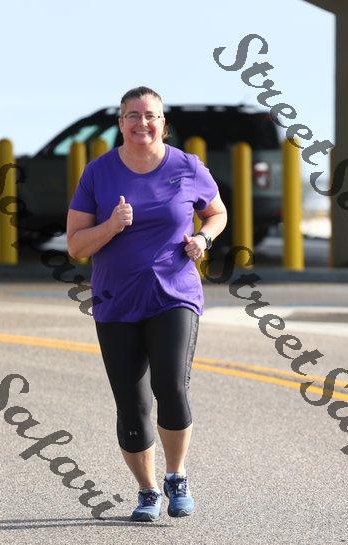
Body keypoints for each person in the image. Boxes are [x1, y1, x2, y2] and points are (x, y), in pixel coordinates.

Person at [66, 86, 227, 522]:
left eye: (150, 115)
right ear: (121, 124)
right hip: (116, 301)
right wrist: (111, 226)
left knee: (170, 385)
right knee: (132, 404)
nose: (142, 123)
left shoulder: (187, 166)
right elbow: (76, 245)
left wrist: (203, 238)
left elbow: (217, 212)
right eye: (133, 115)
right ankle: (147, 490)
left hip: (174, 294)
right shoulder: (98, 173)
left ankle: (176, 476)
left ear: (163, 122)